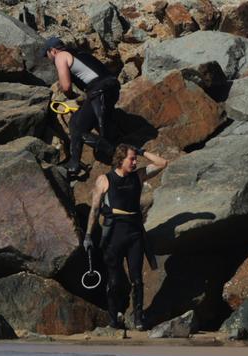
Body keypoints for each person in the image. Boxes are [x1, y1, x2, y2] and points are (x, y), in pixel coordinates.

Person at [83, 143, 168, 330]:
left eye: (135, 158)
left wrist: (141, 150)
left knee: (137, 279)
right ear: (120, 160)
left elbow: (163, 163)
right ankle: (113, 319)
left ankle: (139, 319)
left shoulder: (138, 176)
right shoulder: (105, 180)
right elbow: (95, 209)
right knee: (114, 281)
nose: (135, 162)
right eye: (132, 158)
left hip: (135, 233)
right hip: (113, 234)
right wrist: (88, 235)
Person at [40, 37, 120, 176]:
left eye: (47, 55)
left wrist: (70, 97)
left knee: (78, 128)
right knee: (75, 121)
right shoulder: (79, 53)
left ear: (52, 51)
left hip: (99, 91)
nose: (49, 60)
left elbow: (66, 86)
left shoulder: (60, 56)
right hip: (111, 88)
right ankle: (75, 162)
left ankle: (117, 153)